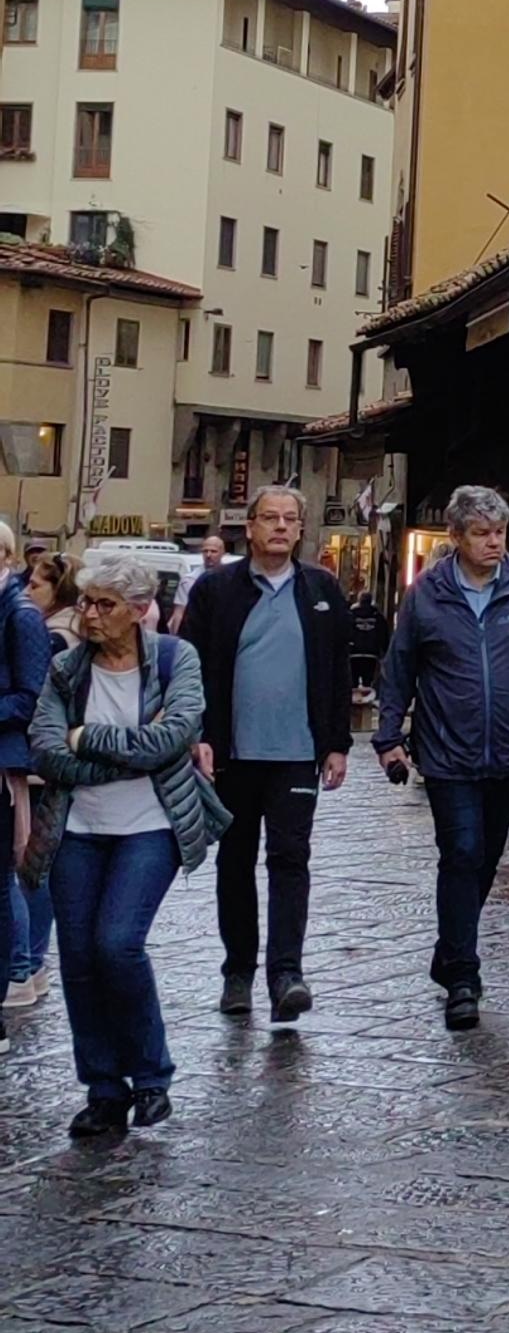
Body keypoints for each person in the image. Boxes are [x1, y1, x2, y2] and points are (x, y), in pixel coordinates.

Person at [27, 544, 216, 1139]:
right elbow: (48, 748)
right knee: (79, 960)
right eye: (85, 601)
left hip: (151, 826)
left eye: (104, 604)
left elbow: (172, 739)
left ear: (139, 609)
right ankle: (104, 1089)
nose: (89, 615)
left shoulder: (174, 660)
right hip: (76, 828)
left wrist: (90, 740)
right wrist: (116, 755)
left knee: (117, 944)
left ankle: (151, 1074)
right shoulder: (67, 668)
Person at [375, 487, 509, 1031]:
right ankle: (464, 975)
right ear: (456, 537)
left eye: (499, 532)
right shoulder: (428, 594)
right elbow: (400, 666)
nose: (494, 543)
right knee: (461, 852)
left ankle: (449, 947)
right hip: (447, 752)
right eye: (482, 533)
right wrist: (388, 734)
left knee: (483, 857)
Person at [178, 482, 353, 1028]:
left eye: (289, 519)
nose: (280, 527)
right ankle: (238, 972)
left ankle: (287, 974)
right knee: (234, 863)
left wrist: (337, 743)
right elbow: (195, 666)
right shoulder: (216, 590)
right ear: (249, 527)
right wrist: (198, 733)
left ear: (301, 529)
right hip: (231, 753)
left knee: (290, 859)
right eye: (269, 518)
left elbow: (338, 670)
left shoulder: (322, 590)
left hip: (297, 752)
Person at [0, 517, 58, 1008]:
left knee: (12, 872)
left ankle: (21, 969)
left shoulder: (19, 614)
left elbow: (31, 694)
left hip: (9, 763)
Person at [170, 533, 231, 634]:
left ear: (222, 553)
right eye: (205, 551)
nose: (208, 555)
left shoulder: (231, 578)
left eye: (213, 551)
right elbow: (179, 612)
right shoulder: (189, 580)